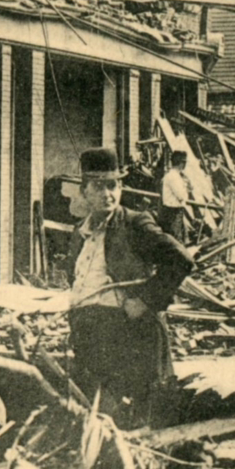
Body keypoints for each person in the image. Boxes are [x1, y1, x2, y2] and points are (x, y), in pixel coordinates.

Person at [66, 147, 193, 429]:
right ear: (84, 191)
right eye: (98, 187)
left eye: (112, 186)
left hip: (128, 334)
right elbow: (75, 278)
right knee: (101, 416)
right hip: (90, 336)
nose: (107, 194)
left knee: (140, 419)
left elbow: (180, 260)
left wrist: (145, 301)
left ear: (121, 188)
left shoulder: (135, 224)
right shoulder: (79, 233)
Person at [159, 151, 189, 243]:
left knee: (173, 239)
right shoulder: (174, 177)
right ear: (181, 163)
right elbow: (181, 196)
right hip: (173, 212)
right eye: (185, 162)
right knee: (175, 240)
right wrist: (186, 187)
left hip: (171, 211)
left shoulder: (172, 175)